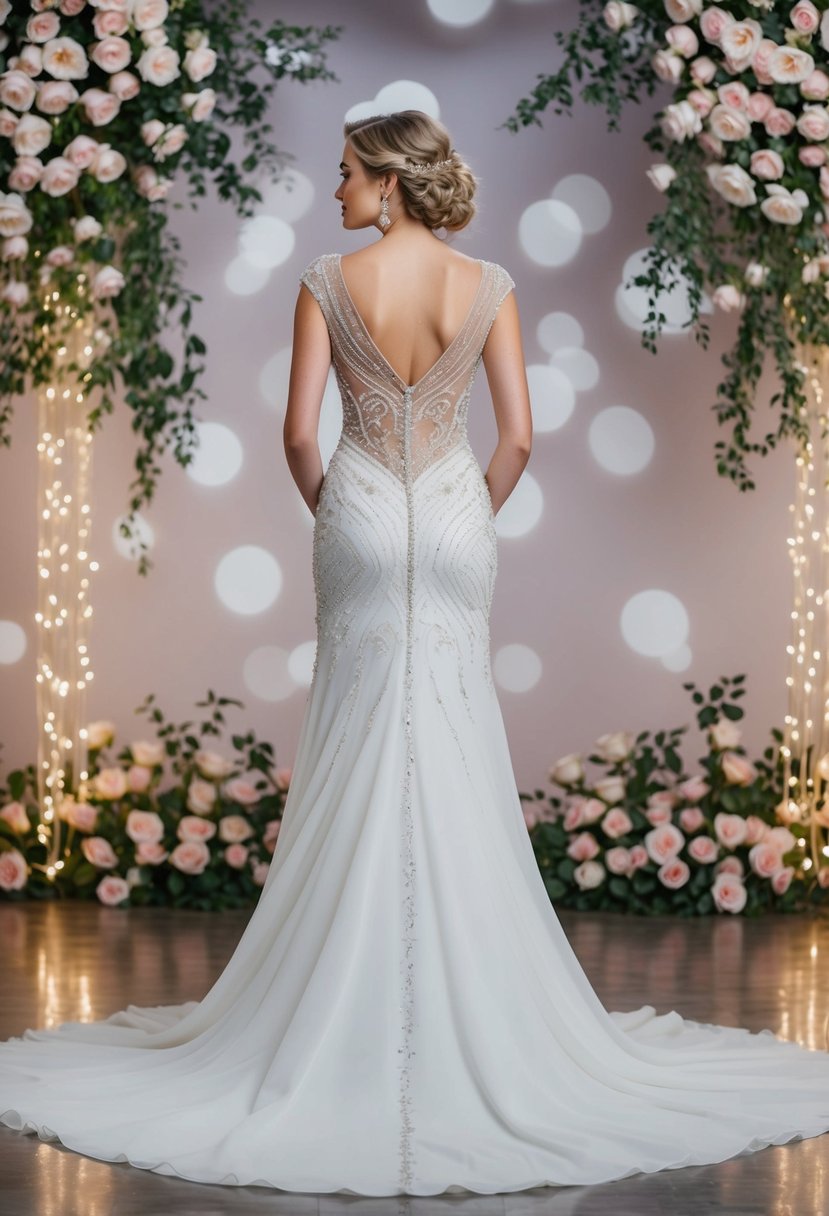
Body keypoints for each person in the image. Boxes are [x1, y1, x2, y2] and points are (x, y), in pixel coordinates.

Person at [2, 110, 829, 1200]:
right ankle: (462, 1003)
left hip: (356, 508)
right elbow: (520, 434)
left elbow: (300, 433)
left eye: (344, 173)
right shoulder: (486, 283)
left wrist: (340, 509)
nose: (333, 189)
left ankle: (336, 1012)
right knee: (449, 735)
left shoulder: (324, 283)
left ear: (388, 182)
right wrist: (459, 514)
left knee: (356, 728)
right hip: (448, 515)